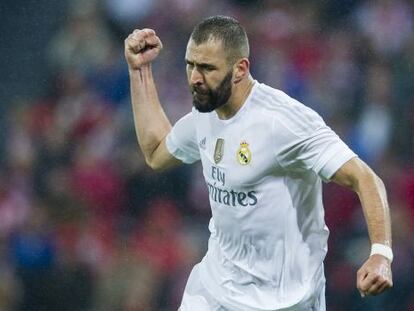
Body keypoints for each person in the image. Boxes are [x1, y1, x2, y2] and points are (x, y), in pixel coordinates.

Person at [124, 15, 393, 311]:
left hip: (286, 300)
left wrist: (380, 254)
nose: (195, 79)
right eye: (190, 65)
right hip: (214, 292)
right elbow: (157, 151)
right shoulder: (206, 113)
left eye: (207, 69)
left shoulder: (283, 122)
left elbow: (365, 178)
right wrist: (140, 70)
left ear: (240, 68)